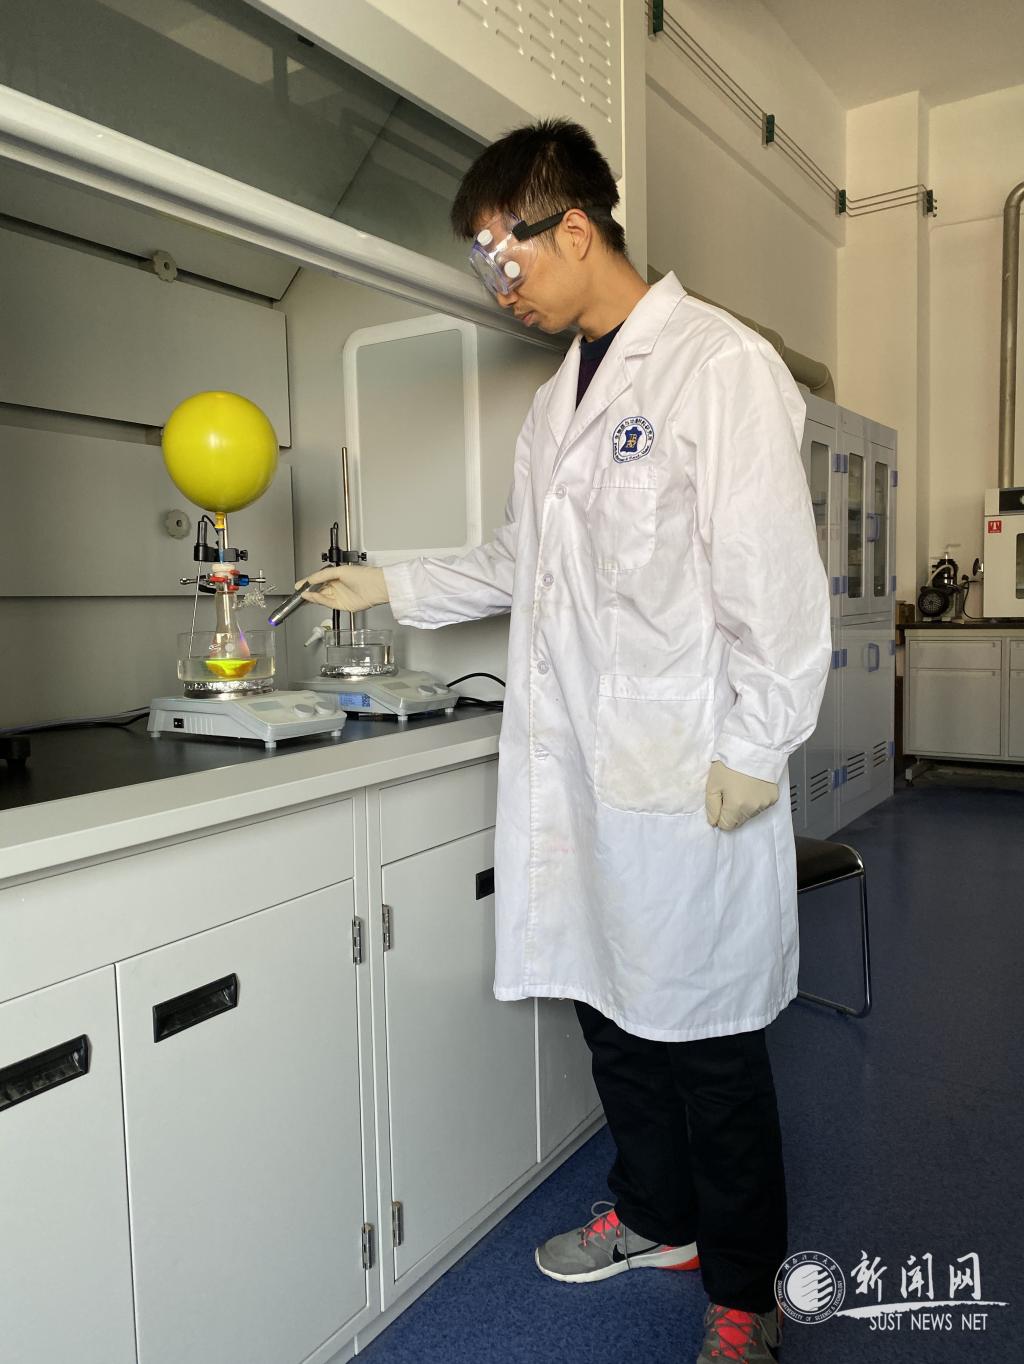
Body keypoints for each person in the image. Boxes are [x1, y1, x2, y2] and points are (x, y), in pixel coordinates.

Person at [298, 119, 831, 1364]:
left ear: (575, 228)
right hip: (581, 776)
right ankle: (655, 1215)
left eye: (505, 258)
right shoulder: (555, 403)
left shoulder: (716, 366)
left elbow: (775, 583)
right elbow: (517, 560)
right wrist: (389, 583)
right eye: (485, 266)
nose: (502, 286)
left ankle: (743, 1294)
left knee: (706, 1045)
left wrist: (757, 745)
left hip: (688, 773)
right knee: (612, 1016)